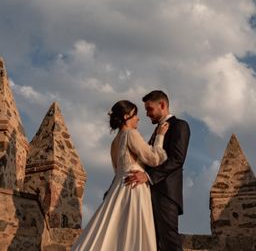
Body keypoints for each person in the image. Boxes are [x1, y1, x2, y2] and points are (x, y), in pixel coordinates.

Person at [71, 100, 169, 251]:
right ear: (126, 116)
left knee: (114, 232)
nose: (138, 118)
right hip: (134, 188)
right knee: (133, 233)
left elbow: (117, 169)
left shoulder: (115, 142)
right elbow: (154, 158)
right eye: (135, 115)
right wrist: (160, 136)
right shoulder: (131, 134)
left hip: (118, 188)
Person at [124, 90, 190, 251]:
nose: (147, 114)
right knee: (154, 243)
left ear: (162, 105)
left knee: (169, 240)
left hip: (166, 193)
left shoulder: (179, 126)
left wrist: (148, 176)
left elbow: (177, 159)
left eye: (149, 109)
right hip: (150, 193)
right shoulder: (156, 132)